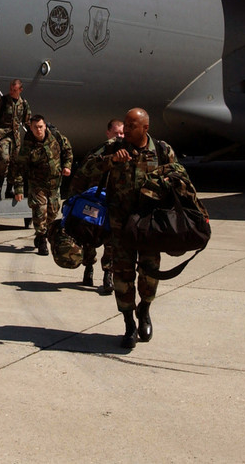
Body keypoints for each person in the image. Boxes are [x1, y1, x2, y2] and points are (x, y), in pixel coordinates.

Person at [84, 107, 180, 350]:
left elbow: (179, 175)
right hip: (120, 225)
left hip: (149, 224)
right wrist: (111, 161)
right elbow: (87, 168)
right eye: (124, 124)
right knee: (122, 276)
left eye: (131, 125)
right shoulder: (113, 147)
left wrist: (164, 182)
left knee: (149, 273)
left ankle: (144, 310)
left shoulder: (161, 150)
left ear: (145, 128)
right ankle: (128, 323)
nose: (125, 129)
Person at [70, 119, 124, 293]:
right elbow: (83, 174)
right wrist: (74, 200)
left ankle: (108, 274)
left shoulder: (126, 154)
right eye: (116, 133)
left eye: (122, 133)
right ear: (108, 133)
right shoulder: (98, 153)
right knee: (90, 238)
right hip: (94, 202)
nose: (119, 137)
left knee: (111, 242)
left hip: (113, 203)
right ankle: (88, 267)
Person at [12, 115, 73, 255]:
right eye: (35, 127)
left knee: (52, 212)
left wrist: (67, 166)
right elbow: (19, 168)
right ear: (31, 128)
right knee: (40, 211)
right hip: (37, 184)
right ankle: (42, 239)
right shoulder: (27, 146)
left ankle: (43, 233)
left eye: (40, 127)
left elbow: (68, 151)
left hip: (54, 184)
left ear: (45, 126)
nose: (38, 130)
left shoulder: (56, 137)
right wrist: (19, 189)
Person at [0, 78, 31, 194]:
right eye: (10, 89)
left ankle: (9, 188)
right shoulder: (2, 101)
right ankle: (0, 179)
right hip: (2, 135)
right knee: (4, 159)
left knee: (15, 163)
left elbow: (27, 121)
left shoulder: (23, 104)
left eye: (14, 90)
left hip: (15, 137)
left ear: (20, 90)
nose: (11, 92)